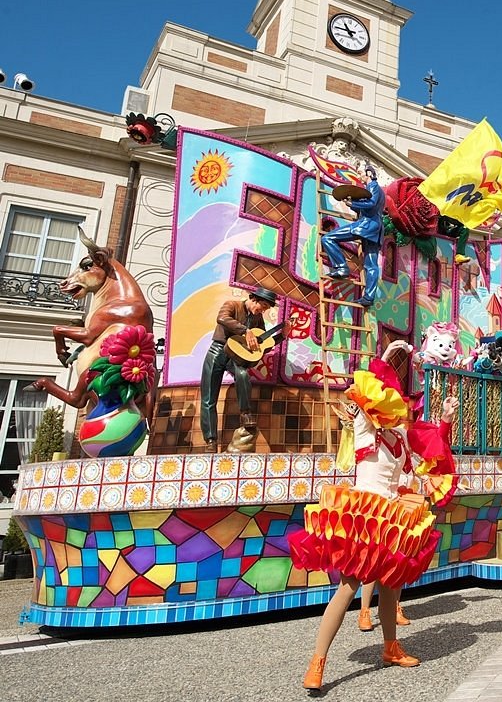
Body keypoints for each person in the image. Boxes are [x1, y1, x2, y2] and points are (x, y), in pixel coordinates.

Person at [289, 349, 459, 692]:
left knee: (391, 588)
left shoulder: (402, 440)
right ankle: (318, 661)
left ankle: (390, 648)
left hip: (394, 516)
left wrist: (445, 418)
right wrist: (390, 352)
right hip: (365, 515)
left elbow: (433, 447)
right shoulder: (367, 428)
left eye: (402, 403)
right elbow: (369, 384)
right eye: (394, 399)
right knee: (348, 586)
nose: (399, 407)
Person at [199, 286, 281, 453]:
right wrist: (246, 331)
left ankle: (245, 413)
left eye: (266, 309)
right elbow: (222, 318)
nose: (262, 311)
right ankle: (210, 441)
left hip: (236, 356)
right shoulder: (232, 305)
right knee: (208, 399)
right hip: (218, 351)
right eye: (262, 306)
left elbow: (263, 344)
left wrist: (283, 335)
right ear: (253, 299)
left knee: (242, 374)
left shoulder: (258, 319)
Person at [320, 168, 384, 307]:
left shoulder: (373, 186)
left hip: (366, 225)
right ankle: (368, 297)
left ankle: (342, 267)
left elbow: (371, 203)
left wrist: (352, 203)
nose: (360, 177)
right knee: (371, 264)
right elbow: (369, 207)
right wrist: (354, 204)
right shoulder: (377, 190)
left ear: (369, 175)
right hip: (375, 228)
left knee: (327, 238)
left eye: (361, 174)